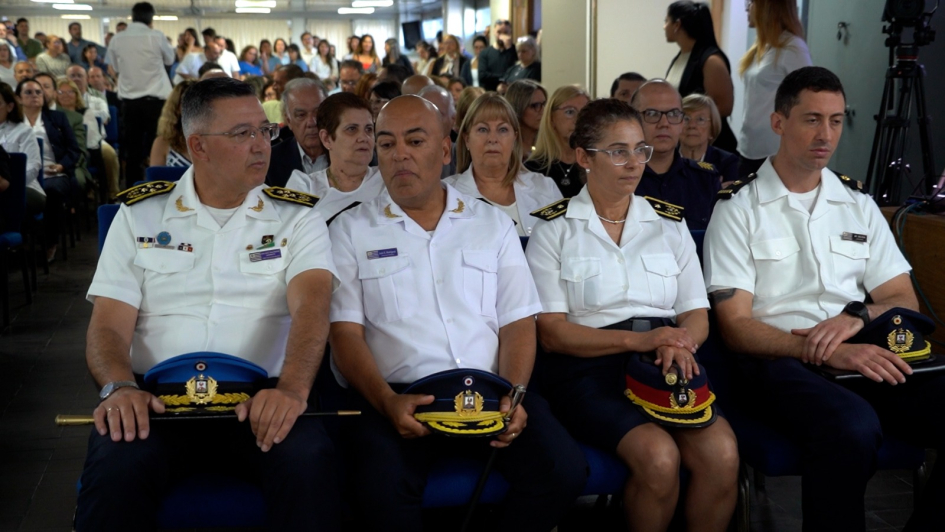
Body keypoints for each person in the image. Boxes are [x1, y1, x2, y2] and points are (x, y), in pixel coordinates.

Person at [74, 76, 341, 532]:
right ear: (198, 146)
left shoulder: (299, 217)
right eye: (242, 134)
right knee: (115, 470)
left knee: (308, 463)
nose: (261, 145)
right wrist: (118, 387)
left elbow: (313, 310)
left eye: (264, 130)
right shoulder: (139, 216)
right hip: (157, 404)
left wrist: (294, 390)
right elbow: (108, 327)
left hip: (264, 398)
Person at [328, 94, 587, 531]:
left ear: (446, 151)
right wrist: (387, 402)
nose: (400, 155)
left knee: (563, 471)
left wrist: (516, 395)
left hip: (490, 393)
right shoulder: (350, 229)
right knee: (379, 487)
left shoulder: (492, 225)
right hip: (396, 397)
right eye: (387, 144)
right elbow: (345, 335)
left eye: (415, 141)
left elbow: (518, 323)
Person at [704, 65, 945, 532]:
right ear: (779, 123)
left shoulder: (857, 203)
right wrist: (827, 348)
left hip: (863, 354)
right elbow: (735, 326)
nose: (826, 134)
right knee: (850, 428)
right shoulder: (738, 209)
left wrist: (856, 316)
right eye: (812, 119)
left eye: (836, 120)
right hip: (776, 361)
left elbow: (901, 299)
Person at [526, 97, 739, 532]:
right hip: (587, 371)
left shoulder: (668, 223)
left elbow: (696, 312)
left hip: (666, 361)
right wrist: (642, 340)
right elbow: (552, 334)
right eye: (618, 151)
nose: (634, 162)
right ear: (584, 157)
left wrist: (679, 343)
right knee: (659, 457)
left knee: (723, 455)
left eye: (640, 150)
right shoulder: (553, 229)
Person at [445, 93, 561, 237]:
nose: (493, 139)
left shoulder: (544, 187)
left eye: (502, 130)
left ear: (515, 138)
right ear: (467, 139)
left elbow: (565, 247)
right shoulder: (446, 194)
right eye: (483, 129)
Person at [630, 80, 720, 231]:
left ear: (681, 123)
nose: (664, 123)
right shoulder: (619, 177)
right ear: (632, 120)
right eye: (652, 114)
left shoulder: (705, 180)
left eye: (673, 114)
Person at [737, 0, 811, 180]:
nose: (747, 7)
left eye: (751, 2)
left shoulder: (792, 48)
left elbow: (809, 101)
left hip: (774, 154)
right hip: (749, 149)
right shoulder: (762, 47)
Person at [106, 1, 176, 186]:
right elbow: (170, 59)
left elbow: (114, 65)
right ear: (151, 18)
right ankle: (159, 187)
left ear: (133, 16)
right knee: (158, 147)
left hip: (130, 103)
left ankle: (130, 192)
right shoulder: (156, 36)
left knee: (132, 150)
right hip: (156, 102)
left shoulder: (117, 39)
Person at [285, 92, 383, 221]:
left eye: (369, 129)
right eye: (352, 129)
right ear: (326, 139)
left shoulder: (386, 181)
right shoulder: (304, 187)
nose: (364, 138)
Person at [16, 78, 81, 262]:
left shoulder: (57, 118)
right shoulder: (13, 123)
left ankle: (50, 242)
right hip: (23, 173)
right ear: (18, 98)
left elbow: (73, 150)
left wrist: (62, 165)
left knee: (51, 191)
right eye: (28, 92)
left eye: (38, 92)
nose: (35, 96)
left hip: (53, 171)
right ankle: (18, 240)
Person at [664, 1, 737, 153]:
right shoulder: (682, 56)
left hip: (711, 147)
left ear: (677, 24)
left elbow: (724, 107)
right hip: (686, 144)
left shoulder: (711, 61)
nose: (664, 27)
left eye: (666, 21)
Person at [525, 85, 589, 198]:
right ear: (551, 118)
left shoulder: (595, 166)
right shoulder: (532, 170)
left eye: (584, 113)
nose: (579, 119)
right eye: (570, 112)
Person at [67, 64, 120, 198]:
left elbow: (104, 117)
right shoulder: (60, 100)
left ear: (86, 79)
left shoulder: (97, 99)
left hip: (96, 140)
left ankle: (114, 193)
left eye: (80, 76)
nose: (76, 79)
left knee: (110, 155)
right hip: (68, 142)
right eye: (72, 76)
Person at [266, 78, 327, 187]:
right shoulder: (270, 162)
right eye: (301, 115)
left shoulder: (349, 153)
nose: (311, 122)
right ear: (288, 121)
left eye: (318, 113)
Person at [0, 81, 43, 218]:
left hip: (25, 187)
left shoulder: (23, 131)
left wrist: (10, 183)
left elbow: (33, 166)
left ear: (10, 106)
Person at [680, 93, 739, 186]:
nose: (692, 125)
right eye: (686, 119)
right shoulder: (666, 159)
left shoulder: (727, 162)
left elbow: (727, 199)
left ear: (712, 130)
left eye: (700, 119)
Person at [149, 80, 195, 168]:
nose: (194, 108)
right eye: (188, 103)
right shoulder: (162, 143)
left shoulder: (215, 140)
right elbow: (155, 179)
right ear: (177, 108)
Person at [504, 79, 546, 161]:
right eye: (535, 105)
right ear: (518, 108)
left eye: (544, 104)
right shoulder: (506, 147)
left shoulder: (549, 142)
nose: (543, 111)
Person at [477, 19, 517, 92]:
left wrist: (508, 48)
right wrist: (503, 77)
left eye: (505, 32)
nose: (501, 36)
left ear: (510, 33)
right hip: (491, 93)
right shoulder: (485, 53)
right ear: (494, 32)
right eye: (499, 32)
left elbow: (516, 72)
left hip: (511, 94)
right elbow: (482, 76)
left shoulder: (516, 51)